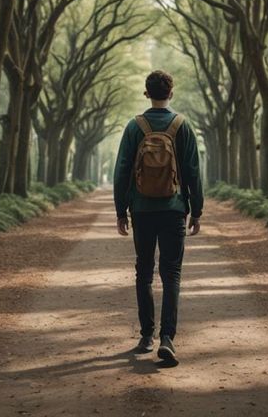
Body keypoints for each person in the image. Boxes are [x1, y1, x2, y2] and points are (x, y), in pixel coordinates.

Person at [113, 69, 203, 367]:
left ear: (146, 93)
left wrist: (121, 210)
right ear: (171, 93)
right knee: (171, 273)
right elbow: (192, 172)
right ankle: (168, 338)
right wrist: (197, 209)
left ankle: (146, 336)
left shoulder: (134, 127)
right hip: (174, 209)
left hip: (141, 210)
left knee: (143, 271)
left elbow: (122, 170)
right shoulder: (182, 126)